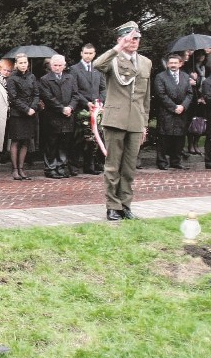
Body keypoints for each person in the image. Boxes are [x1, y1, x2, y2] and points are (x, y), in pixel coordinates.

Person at [93, 21, 152, 221]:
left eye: (136, 38)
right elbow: (97, 64)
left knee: (129, 168)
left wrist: (144, 123)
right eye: (129, 38)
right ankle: (112, 206)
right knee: (112, 166)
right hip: (115, 119)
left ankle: (125, 205)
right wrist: (118, 48)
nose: (134, 42)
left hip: (135, 121)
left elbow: (145, 96)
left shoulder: (145, 62)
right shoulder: (113, 60)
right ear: (120, 39)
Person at [38, 54, 80, 179]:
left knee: (64, 143)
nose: (57, 67)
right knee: (51, 143)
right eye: (55, 65)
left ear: (64, 66)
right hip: (52, 117)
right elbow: (48, 98)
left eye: (60, 65)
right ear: (51, 66)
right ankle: (50, 168)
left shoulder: (70, 78)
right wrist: (61, 108)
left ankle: (61, 166)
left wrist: (71, 107)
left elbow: (76, 95)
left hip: (68, 116)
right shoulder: (45, 80)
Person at [71, 43, 106, 174]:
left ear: (94, 54)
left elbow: (103, 88)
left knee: (94, 138)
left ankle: (90, 166)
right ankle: (73, 166)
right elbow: (74, 90)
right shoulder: (74, 69)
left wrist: (100, 101)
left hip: (96, 109)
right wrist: (86, 103)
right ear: (81, 53)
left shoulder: (98, 69)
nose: (88, 56)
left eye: (91, 53)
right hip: (81, 108)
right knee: (79, 138)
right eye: (86, 53)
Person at [154, 54, 193, 170]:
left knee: (179, 137)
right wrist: (174, 107)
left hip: (182, 112)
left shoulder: (186, 77)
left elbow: (190, 93)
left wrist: (183, 106)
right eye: (171, 63)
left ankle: (176, 161)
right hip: (167, 111)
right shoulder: (160, 77)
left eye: (175, 63)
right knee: (164, 137)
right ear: (167, 64)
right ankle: (162, 162)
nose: (173, 65)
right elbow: (161, 95)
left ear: (180, 64)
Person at [6, 54, 39, 180]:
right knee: (16, 140)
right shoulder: (12, 78)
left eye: (25, 62)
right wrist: (26, 109)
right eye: (21, 63)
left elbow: (36, 94)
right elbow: (13, 98)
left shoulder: (32, 76)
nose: (23, 65)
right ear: (16, 64)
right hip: (17, 114)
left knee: (26, 141)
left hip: (30, 113)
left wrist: (33, 108)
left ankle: (21, 169)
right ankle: (15, 169)